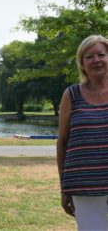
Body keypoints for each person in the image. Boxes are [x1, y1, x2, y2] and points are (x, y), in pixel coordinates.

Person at [57, 35, 108, 231]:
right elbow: (62, 142)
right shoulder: (71, 95)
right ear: (81, 63)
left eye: (101, 54)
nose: (96, 60)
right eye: (89, 56)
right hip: (84, 187)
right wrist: (64, 188)